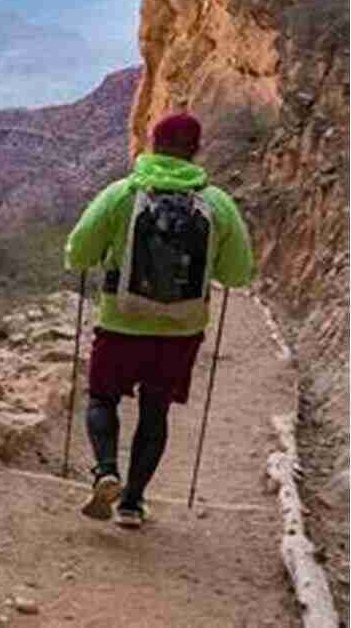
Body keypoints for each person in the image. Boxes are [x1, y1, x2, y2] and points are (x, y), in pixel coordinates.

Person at [64, 112, 254, 528]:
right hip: (180, 332)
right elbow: (238, 274)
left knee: (101, 399)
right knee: (155, 413)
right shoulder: (217, 204)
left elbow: (78, 252)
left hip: (120, 323)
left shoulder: (121, 194)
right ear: (196, 151)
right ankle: (132, 503)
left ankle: (106, 470)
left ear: (151, 144)